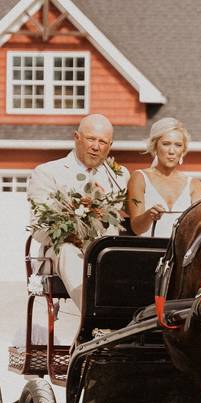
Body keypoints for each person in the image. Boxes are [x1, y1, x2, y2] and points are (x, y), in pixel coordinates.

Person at [27, 114, 129, 305]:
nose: (96, 146)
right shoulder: (48, 172)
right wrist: (72, 230)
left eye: (103, 142)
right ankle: (94, 321)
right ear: (77, 137)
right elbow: (38, 228)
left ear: (110, 146)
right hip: (60, 252)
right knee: (67, 251)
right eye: (91, 139)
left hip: (105, 252)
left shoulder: (120, 176)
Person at [127, 118, 201, 237]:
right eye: (166, 144)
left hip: (181, 253)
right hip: (148, 251)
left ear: (183, 150)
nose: (172, 151)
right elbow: (136, 228)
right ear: (155, 146)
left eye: (178, 145)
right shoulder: (140, 177)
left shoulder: (194, 184)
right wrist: (148, 216)